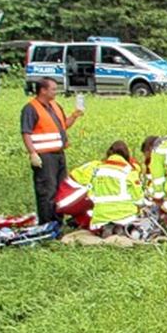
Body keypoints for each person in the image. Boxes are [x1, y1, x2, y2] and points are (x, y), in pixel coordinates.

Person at [21, 77, 83, 224]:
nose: (56, 92)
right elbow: (26, 132)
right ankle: (47, 223)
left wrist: (74, 116)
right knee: (47, 190)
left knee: (60, 188)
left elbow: (63, 125)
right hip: (44, 155)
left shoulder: (55, 106)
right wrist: (33, 153)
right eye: (53, 89)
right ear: (43, 90)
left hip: (59, 154)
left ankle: (58, 220)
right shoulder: (30, 108)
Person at [89, 140, 145, 234]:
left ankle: (109, 228)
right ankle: (121, 229)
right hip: (124, 215)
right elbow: (138, 199)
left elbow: (91, 194)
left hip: (101, 215)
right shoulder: (129, 171)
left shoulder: (97, 170)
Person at [54, 159, 102, 230]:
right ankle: (83, 220)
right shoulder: (104, 170)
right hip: (70, 199)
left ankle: (78, 220)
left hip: (66, 195)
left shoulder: (97, 164)